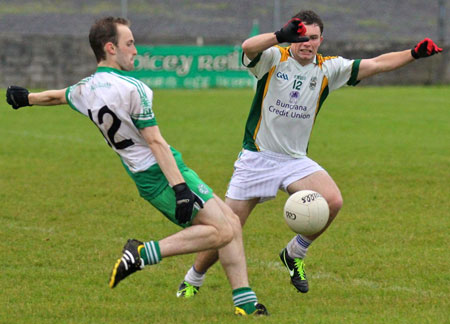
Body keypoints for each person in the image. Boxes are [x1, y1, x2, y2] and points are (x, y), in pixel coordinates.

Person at [5, 16, 269, 316]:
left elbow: (58, 96)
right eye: (129, 44)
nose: (136, 51)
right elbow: (155, 142)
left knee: (232, 223)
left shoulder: (86, 88)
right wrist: (179, 188)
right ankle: (142, 254)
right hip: (162, 173)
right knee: (221, 231)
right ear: (110, 48)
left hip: (150, 174)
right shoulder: (134, 89)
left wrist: (27, 98)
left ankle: (245, 303)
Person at [176, 10, 443, 296]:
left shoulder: (328, 68)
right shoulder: (273, 58)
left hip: (294, 160)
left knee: (332, 200)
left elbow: (377, 64)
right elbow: (247, 47)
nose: (307, 43)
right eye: (301, 37)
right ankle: (193, 279)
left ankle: (294, 253)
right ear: (292, 37)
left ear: (321, 40)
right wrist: (278, 36)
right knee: (227, 229)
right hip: (257, 157)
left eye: (313, 38)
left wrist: (414, 53)